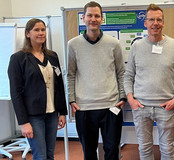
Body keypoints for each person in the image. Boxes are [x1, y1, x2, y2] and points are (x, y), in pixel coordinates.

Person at [124, 3, 174, 160]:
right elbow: (128, 76)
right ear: (145, 23)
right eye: (151, 20)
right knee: (144, 149)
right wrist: (131, 100)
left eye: (158, 20)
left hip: (166, 107)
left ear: (163, 22)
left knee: (166, 149)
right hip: (141, 107)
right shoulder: (136, 46)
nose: (155, 23)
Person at [67, 1, 126, 160]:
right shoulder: (73, 44)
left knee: (112, 151)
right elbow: (70, 74)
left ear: (102, 19)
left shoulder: (113, 43)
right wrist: (71, 99)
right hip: (84, 107)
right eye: (90, 15)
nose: (93, 19)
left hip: (110, 106)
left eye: (97, 16)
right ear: (83, 18)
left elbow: (121, 72)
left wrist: (122, 97)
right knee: (89, 152)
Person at [7, 18, 67, 160]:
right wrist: (23, 122)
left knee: (50, 155)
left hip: (52, 114)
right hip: (33, 117)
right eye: (36, 30)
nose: (41, 33)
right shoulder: (18, 59)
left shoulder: (52, 56)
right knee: (40, 156)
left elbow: (59, 85)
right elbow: (16, 93)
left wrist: (63, 112)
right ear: (28, 34)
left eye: (43, 30)